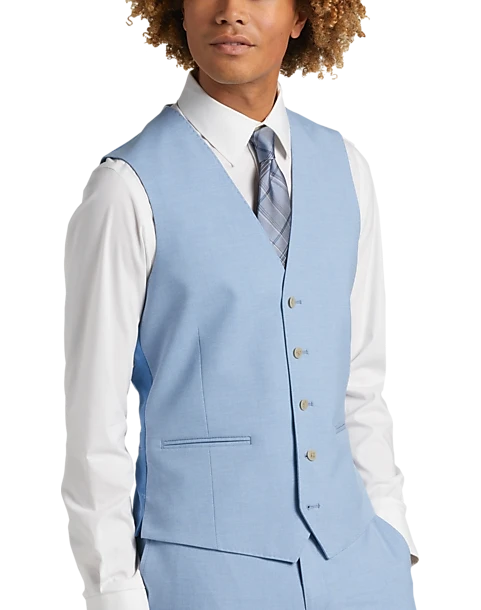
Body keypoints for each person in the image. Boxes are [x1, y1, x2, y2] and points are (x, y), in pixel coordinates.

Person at [63, 1, 418, 609]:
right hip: (202, 579)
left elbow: (361, 376)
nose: (231, 12)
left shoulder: (346, 168)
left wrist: (395, 539)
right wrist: (115, 592)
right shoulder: (127, 187)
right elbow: (93, 423)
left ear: (303, 16)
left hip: (359, 572)